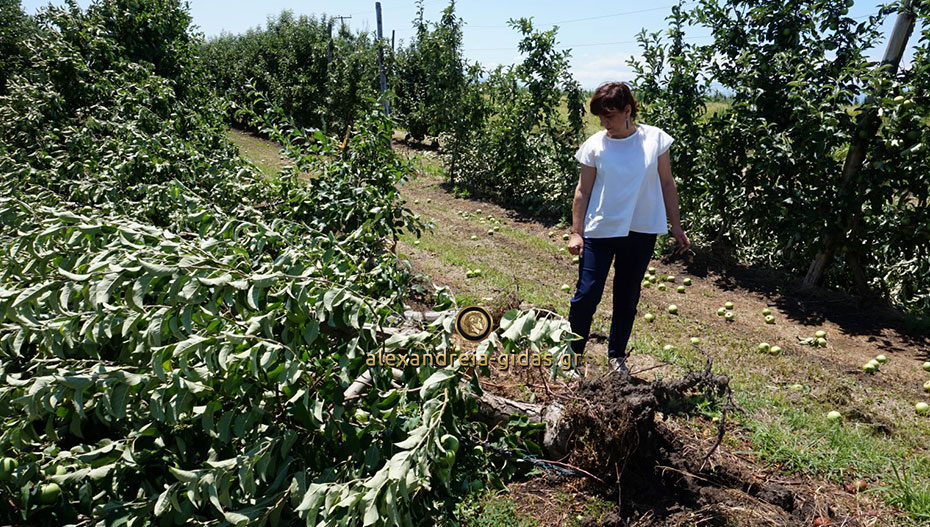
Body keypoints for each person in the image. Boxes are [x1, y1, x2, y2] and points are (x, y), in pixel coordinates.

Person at [567, 81, 690, 375]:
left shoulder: (655, 140)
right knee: (587, 294)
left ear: (628, 110)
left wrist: (677, 227)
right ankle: (570, 356)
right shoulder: (595, 145)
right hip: (600, 230)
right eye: (600, 117)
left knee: (627, 295)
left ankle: (616, 356)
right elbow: (582, 191)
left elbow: (666, 183)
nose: (604, 123)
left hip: (641, 230)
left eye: (609, 115)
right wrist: (576, 231)